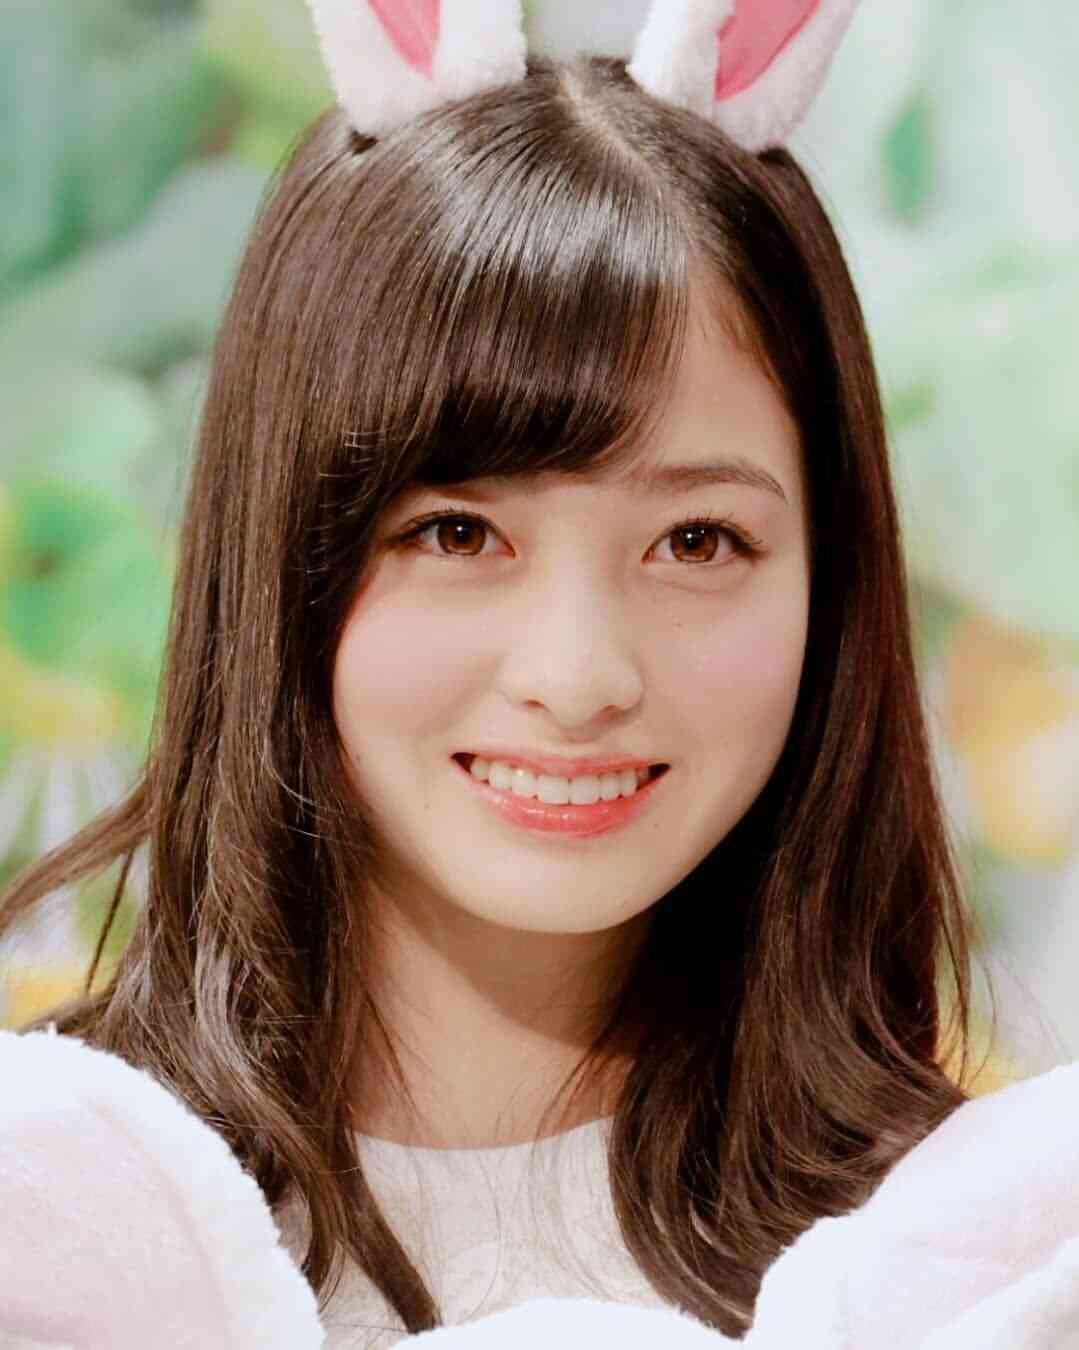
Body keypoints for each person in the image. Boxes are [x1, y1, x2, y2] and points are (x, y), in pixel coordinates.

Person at [0, 1, 990, 1344]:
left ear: (834, 571)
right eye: (457, 534)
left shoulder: (967, 1258)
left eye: (698, 540)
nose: (578, 675)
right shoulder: (52, 1212)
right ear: (281, 547)